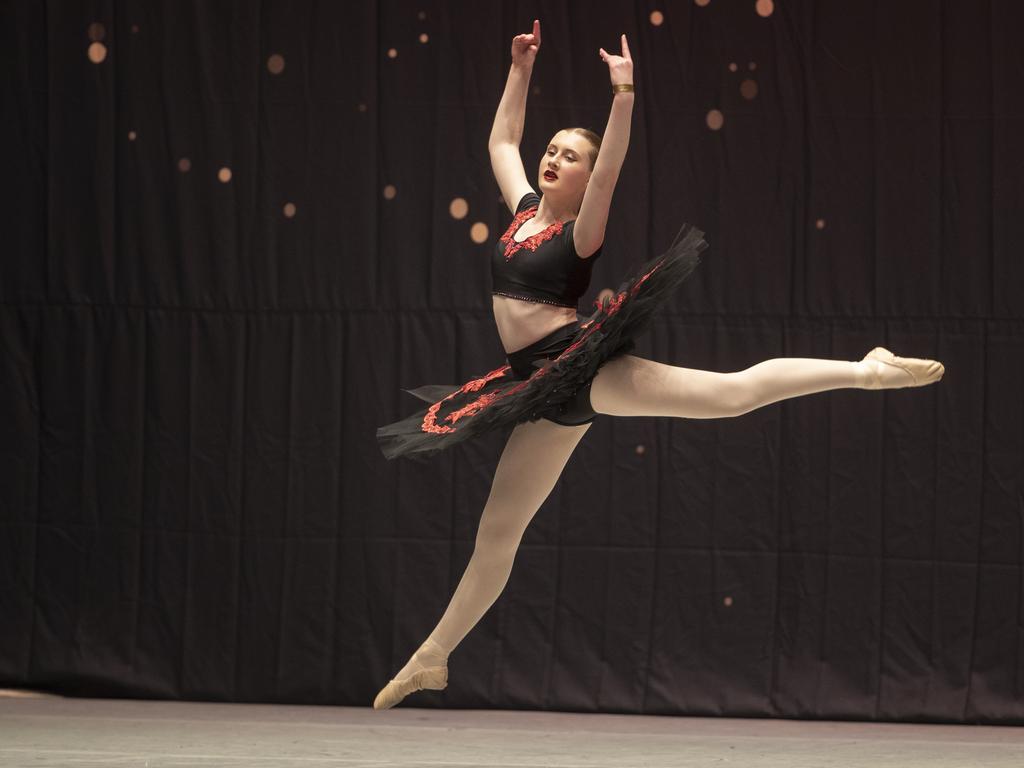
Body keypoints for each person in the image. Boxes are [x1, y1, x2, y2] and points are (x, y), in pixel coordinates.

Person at [372, 20, 944, 710]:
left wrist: (624, 95)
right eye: (551, 152)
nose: (552, 161)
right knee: (499, 530)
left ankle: (866, 369)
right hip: (536, 389)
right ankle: (434, 657)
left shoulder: (579, 232)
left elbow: (612, 167)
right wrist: (520, 69)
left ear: (585, 182)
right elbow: (500, 142)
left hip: (577, 367)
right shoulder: (523, 210)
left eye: (568, 158)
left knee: (730, 396)